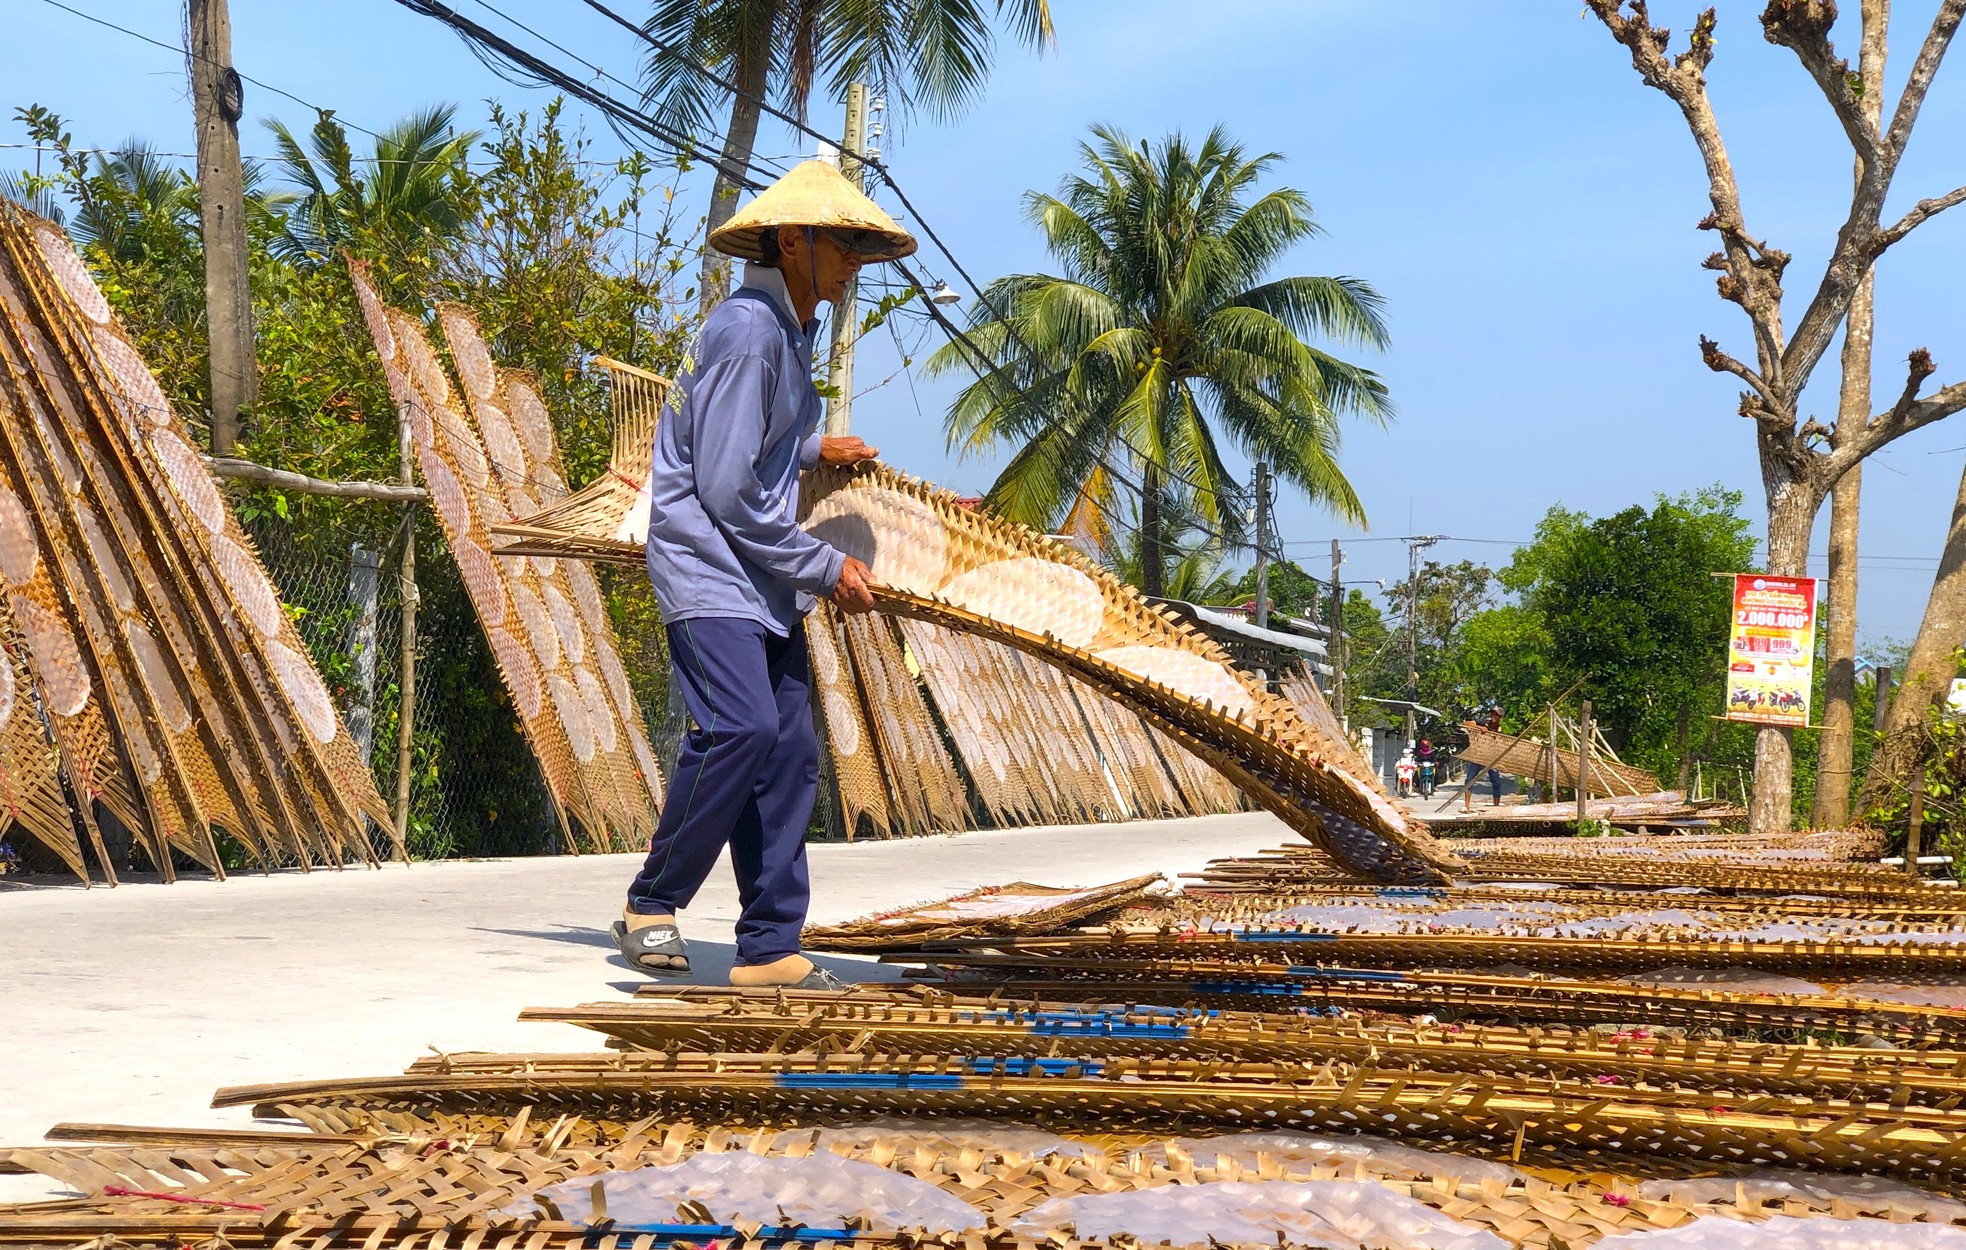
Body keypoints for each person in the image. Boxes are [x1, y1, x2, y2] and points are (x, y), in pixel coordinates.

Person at [613, 160, 916, 989]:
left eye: (859, 246)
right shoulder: (750, 328)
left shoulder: (788, 333)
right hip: (709, 565)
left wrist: (819, 447)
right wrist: (823, 567)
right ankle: (651, 901)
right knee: (741, 729)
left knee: (788, 753)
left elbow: (759, 441)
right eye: (842, 244)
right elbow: (720, 480)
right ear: (792, 240)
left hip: (759, 577)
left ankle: (770, 948)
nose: (853, 263)